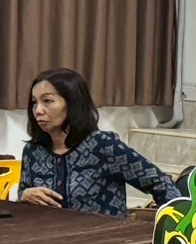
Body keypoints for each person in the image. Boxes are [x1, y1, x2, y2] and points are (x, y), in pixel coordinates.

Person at [18, 68, 181, 217]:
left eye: (47, 101)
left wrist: (171, 230)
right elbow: (24, 193)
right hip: (48, 240)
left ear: (72, 103)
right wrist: (24, 195)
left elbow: (160, 183)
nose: (38, 110)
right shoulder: (33, 151)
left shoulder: (103, 146)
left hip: (102, 243)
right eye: (34, 102)